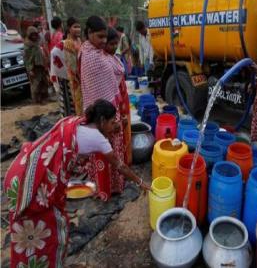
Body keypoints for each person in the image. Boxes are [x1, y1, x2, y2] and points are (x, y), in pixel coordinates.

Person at [4, 99, 149, 268]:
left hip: (21, 169)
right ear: (101, 120)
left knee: (30, 231)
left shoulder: (78, 122)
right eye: (111, 122)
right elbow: (121, 167)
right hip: (31, 185)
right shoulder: (98, 139)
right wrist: (140, 182)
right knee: (48, 232)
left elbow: (104, 132)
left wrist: (118, 124)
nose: (113, 126)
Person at [79, 16, 127, 196]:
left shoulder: (98, 53)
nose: (104, 41)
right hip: (99, 116)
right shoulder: (90, 56)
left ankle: (114, 184)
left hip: (107, 110)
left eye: (105, 37)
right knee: (103, 150)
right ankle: (104, 187)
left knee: (109, 150)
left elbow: (116, 71)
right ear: (89, 33)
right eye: (100, 37)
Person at [105, 28, 132, 165]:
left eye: (116, 44)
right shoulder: (104, 60)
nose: (114, 47)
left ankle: (125, 159)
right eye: (111, 44)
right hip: (114, 101)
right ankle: (119, 162)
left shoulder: (114, 58)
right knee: (116, 131)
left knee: (124, 128)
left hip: (123, 96)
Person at [50, 17, 82, 116]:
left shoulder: (79, 41)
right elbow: (54, 53)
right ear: (68, 28)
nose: (78, 29)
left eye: (79, 27)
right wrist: (65, 71)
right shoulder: (65, 43)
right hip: (69, 80)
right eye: (75, 27)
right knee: (70, 106)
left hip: (80, 78)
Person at [24, 26, 49, 104]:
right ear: (29, 35)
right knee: (36, 84)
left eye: (35, 34)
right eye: (32, 35)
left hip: (41, 65)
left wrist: (45, 63)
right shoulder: (27, 46)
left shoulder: (38, 43)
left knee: (44, 82)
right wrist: (30, 69)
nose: (34, 36)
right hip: (34, 67)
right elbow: (27, 59)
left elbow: (42, 53)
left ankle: (44, 98)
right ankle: (37, 100)